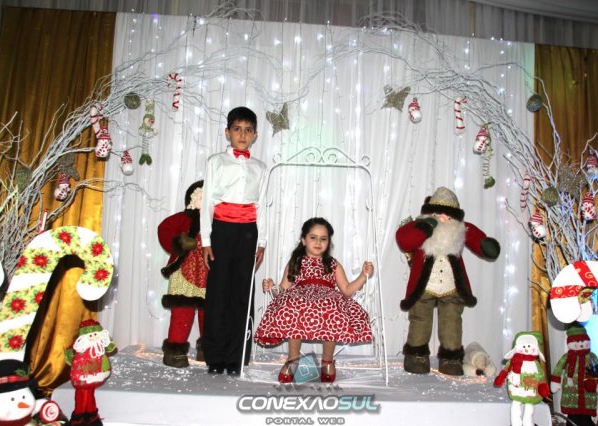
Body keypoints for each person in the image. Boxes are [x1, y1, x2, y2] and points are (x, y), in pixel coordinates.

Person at [254, 217, 374, 383]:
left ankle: (327, 361)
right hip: (299, 298)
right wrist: (272, 287)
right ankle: (293, 359)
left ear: (328, 242)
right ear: (304, 240)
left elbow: (346, 290)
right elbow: (282, 291)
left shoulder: (332, 264)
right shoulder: (296, 262)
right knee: (293, 305)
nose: (318, 242)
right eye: (313, 237)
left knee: (332, 308)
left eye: (323, 239)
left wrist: (363, 275)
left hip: (327, 298)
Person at [396, 186, 500, 376]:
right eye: (437, 214)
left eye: (448, 215)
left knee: (452, 321)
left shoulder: (461, 229)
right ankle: (416, 355)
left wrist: (485, 245)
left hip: (452, 286)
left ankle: (450, 358)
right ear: (429, 213)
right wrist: (426, 226)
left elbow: (477, 239)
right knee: (420, 319)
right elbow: (405, 240)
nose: (443, 218)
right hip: (423, 287)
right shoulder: (420, 225)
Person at [200, 106, 267, 375]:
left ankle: (237, 356)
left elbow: (263, 206)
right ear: (227, 132)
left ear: (255, 135)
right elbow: (207, 202)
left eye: (248, 130)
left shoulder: (260, 168)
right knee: (218, 293)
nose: (242, 135)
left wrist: (262, 242)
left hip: (248, 233)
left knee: (242, 294)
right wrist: (206, 240)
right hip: (221, 231)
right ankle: (215, 356)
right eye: (237, 129)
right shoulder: (216, 162)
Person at [158, 180, 207, 368]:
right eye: (202, 197)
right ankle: (175, 350)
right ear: (192, 199)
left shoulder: (217, 222)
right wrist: (179, 243)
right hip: (184, 270)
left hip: (209, 272)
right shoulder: (182, 218)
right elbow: (164, 229)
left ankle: (208, 348)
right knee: (182, 311)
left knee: (209, 313)